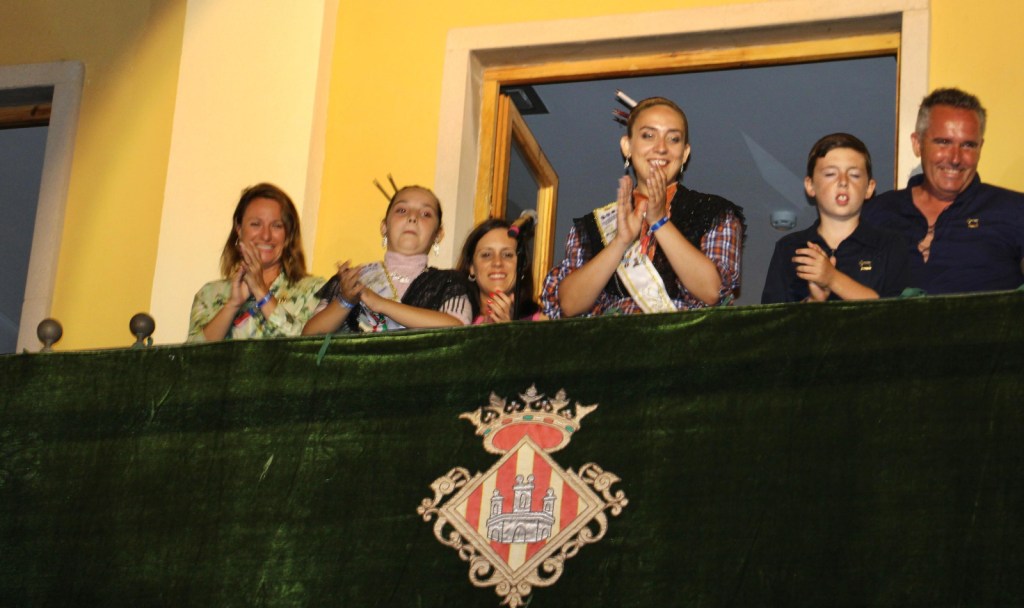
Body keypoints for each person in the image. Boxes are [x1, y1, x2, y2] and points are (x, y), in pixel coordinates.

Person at [540, 96, 745, 318]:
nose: (661, 148)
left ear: (685, 153)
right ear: (627, 146)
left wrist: (659, 222)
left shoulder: (714, 213)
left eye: (673, 139)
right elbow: (569, 306)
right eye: (648, 135)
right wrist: (620, 242)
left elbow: (713, 292)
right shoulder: (592, 227)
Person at [861, 87, 1024, 294]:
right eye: (944, 142)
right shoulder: (876, 213)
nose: (955, 158)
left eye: (968, 145)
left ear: (980, 148)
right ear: (917, 143)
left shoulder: (1014, 210)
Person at [302, 185, 471, 334]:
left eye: (426, 214)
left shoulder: (448, 282)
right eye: (402, 210)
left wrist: (380, 304)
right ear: (384, 227)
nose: (412, 217)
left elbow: (458, 328)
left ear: (438, 235)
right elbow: (309, 336)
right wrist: (345, 301)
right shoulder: (352, 279)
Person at [761, 133, 909, 303]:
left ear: (869, 188)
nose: (843, 182)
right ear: (810, 185)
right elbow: (771, 317)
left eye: (854, 175)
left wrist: (832, 278)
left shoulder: (889, 245)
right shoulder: (789, 248)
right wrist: (814, 302)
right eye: (831, 174)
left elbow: (898, 313)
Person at [187, 183, 325, 342]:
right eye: (256, 224)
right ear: (239, 229)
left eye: (276, 226)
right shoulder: (210, 294)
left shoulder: (314, 290)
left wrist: (261, 292)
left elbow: (307, 348)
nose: (266, 236)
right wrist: (232, 305)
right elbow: (192, 354)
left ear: (288, 234)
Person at [456, 218, 547, 323]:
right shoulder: (457, 320)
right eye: (486, 255)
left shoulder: (542, 324)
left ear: (522, 266)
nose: (498, 262)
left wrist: (509, 330)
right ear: (471, 267)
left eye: (507, 255)